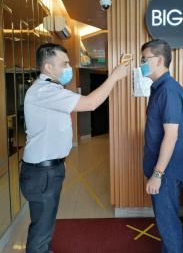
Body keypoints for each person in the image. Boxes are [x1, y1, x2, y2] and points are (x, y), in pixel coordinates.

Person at [19, 43, 129, 253]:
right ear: (49, 68)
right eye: (65, 64)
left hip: (46, 169)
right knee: (41, 231)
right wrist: (114, 76)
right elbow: (89, 103)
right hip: (43, 172)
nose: (68, 68)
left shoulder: (48, 90)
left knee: (44, 225)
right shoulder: (45, 90)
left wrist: (60, 162)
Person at [141, 39, 183, 253]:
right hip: (164, 171)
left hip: (166, 173)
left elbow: (171, 136)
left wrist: (158, 174)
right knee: (166, 224)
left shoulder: (168, 90)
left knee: (168, 226)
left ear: (159, 60)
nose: (141, 64)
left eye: (145, 59)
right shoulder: (159, 88)